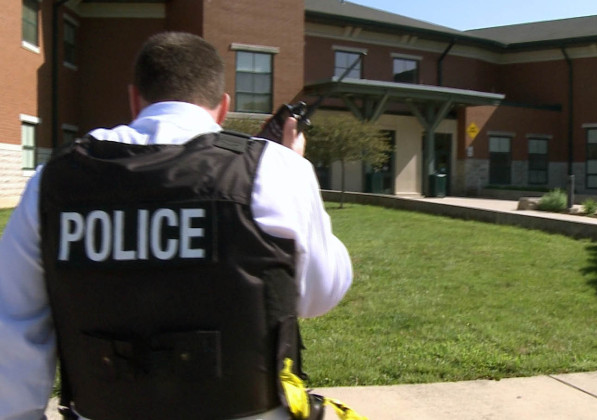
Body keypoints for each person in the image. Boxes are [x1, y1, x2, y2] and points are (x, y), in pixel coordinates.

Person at [0, 32, 352, 420]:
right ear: (222, 108)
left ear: (135, 99)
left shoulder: (54, 180)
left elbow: (11, 326)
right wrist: (295, 171)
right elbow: (321, 294)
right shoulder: (278, 170)